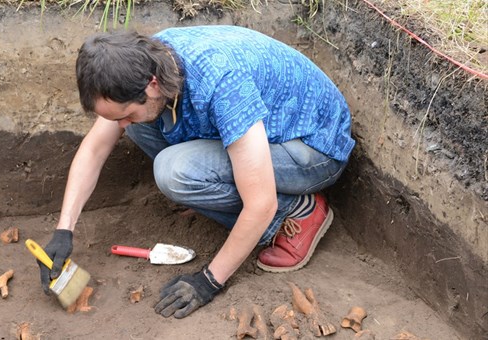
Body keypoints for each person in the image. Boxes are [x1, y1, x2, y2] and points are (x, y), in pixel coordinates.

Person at [37, 25, 355, 319]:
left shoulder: (221, 81)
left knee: (174, 171)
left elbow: (260, 202)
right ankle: (211, 187)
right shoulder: (148, 64)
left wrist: (208, 281)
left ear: (151, 85)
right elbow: (94, 149)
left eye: (124, 113)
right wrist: (64, 230)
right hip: (265, 134)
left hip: (312, 150)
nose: (118, 123)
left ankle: (298, 211)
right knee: (138, 127)